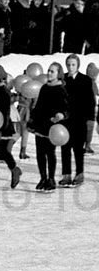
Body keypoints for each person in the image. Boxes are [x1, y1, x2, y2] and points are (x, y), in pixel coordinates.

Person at [28, 63, 68, 191]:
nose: (49, 73)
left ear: (58, 74)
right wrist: (32, 119)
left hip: (52, 125)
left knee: (50, 152)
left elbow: (66, 107)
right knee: (40, 152)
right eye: (49, 71)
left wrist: (61, 115)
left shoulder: (61, 89)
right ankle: (43, 178)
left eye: (52, 71)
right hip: (41, 123)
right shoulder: (44, 87)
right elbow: (39, 105)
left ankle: (51, 178)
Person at [59, 54, 94, 187]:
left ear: (78, 65)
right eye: (68, 64)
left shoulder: (85, 80)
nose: (70, 67)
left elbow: (90, 101)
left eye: (73, 64)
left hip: (80, 120)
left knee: (78, 149)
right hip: (65, 120)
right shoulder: (63, 80)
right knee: (65, 148)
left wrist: (90, 119)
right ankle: (66, 175)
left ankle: (79, 174)